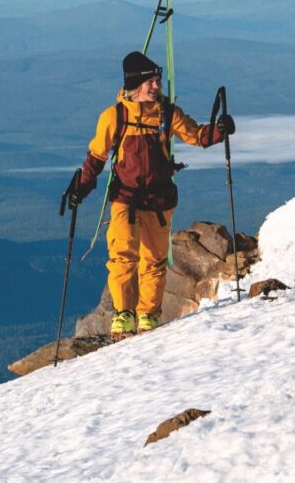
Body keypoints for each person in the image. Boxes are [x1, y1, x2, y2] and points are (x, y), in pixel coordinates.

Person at [69, 51, 234, 338]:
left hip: (158, 200)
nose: (157, 86)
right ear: (135, 86)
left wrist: (218, 132)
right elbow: (96, 156)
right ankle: (124, 315)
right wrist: (80, 186)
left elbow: (195, 135)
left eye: (157, 80)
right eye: (151, 82)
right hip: (127, 199)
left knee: (154, 261)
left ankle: (148, 316)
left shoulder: (167, 114)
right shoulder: (115, 117)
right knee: (122, 256)